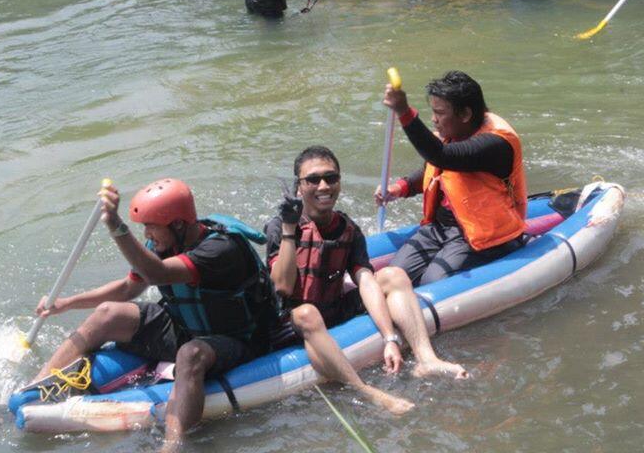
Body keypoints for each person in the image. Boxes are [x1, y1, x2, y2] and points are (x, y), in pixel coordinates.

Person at [24, 178, 277, 452]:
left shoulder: (220, 249)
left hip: (238, 339)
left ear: (178, 225)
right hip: (186, 327)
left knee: (190, 354)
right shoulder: (160, 244)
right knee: (108, 313)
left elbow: (158, 274)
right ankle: (33, 389)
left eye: (151, 226)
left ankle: (172, 445)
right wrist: (67, 303)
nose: (147, 234)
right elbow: (128, 288)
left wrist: (116, 227)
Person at [265, 146, 466, 416]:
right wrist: (290, 230)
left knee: (393, 275)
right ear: (299, 187)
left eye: (331, 177)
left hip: (333, 306)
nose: (323, 186)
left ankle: (426, 359)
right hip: (293, 319)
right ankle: (366, 391)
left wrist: (390, 339)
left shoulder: (347, 228)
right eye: (313, 180)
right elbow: (283, 287)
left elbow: (366, 280)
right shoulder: (280, 226)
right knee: (306, 313)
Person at [375, 70, 528, 289]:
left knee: (432, 282)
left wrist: (404, 112)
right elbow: (434, 170)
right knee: (391, 275)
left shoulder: (495, 144)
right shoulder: (454, 132)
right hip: (439, 227)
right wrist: (400, 188)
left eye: (439, 113)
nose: (434, 119)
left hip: (478, 235)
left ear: (465, 114)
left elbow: (442, 156)